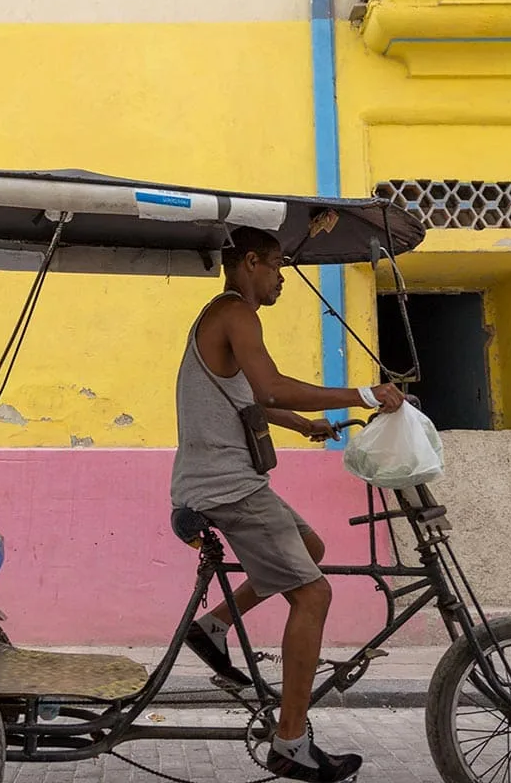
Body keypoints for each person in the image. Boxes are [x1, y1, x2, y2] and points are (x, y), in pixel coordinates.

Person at [171, 226, 405, 783]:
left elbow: (249, 398)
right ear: (250, 262)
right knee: (314, 594)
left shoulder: (222, 318)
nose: (281, 279)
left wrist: (304, 424)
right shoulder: (236, 312)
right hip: (226, 486)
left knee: (310, 547)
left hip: (219, 479)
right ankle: (291, 740)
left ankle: (214, 627)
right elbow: (270, 387)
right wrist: (364, 394)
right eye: (276, 267)